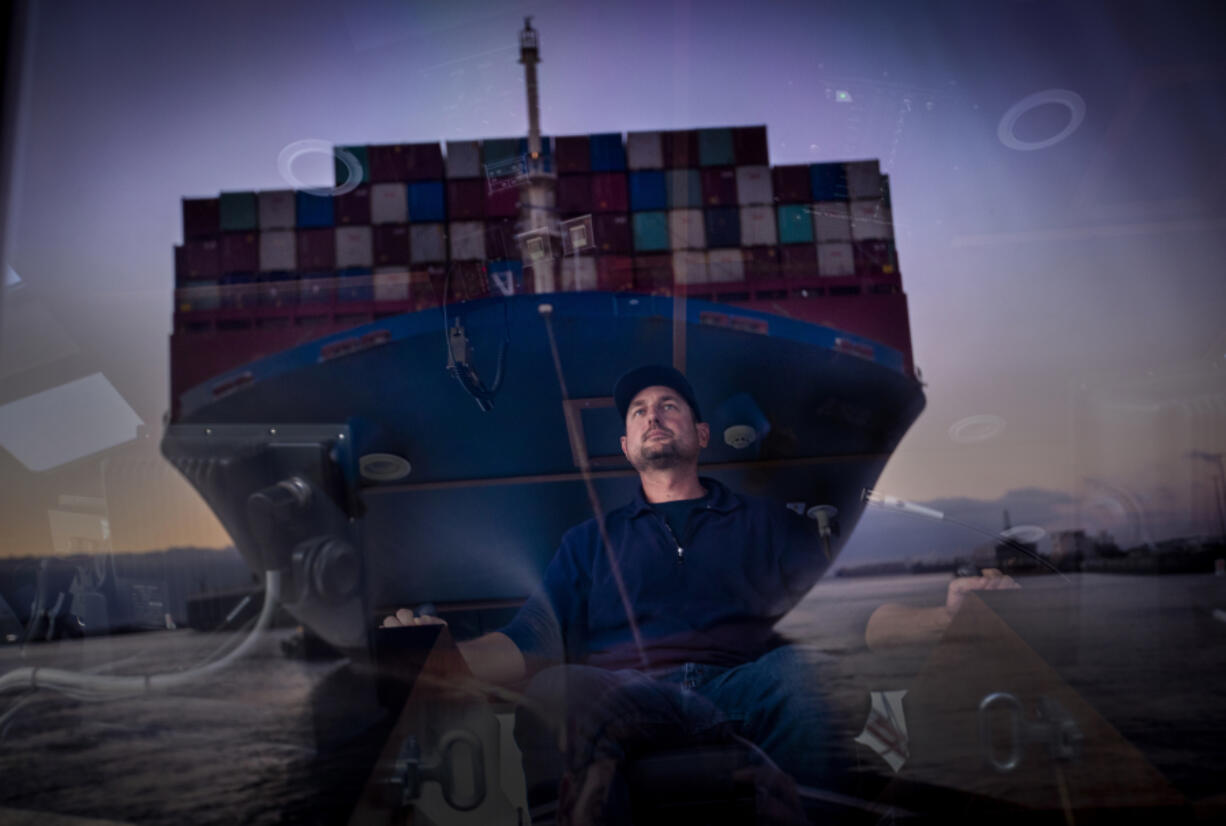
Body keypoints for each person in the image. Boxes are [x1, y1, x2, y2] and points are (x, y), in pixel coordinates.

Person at [385, 365, 836, 812]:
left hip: (747, 685)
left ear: (701, 435)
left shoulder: (771, 523)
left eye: (668, 406)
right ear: (626, 447)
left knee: (803, 670)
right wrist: (447, 658)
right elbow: (532, 637)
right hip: (628, 692)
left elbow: (836, 615)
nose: (652, 417)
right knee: (555, 687)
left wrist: (901, 620)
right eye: (638, 412)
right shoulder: (587, 543)